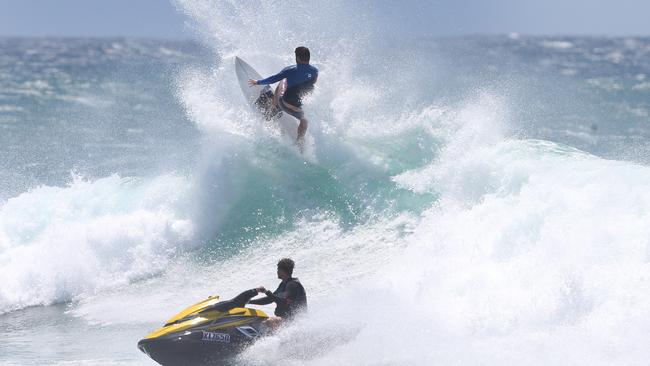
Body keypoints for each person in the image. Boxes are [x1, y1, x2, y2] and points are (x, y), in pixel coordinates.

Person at [248, 47, 318, 151]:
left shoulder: (290, 70)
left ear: (297, 58)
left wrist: (257, 82)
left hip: (283, 103)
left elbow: (273, 79)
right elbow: (311, 86)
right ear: (308, 58)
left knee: (283, 81)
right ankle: (299, 141)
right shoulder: (315, 71)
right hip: (296, 108)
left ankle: (273, 106)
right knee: (305, 120)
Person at [248, 258, 307, 330]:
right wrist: (248, 301)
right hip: (285, 319)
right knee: (256, 321)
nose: (277, 271)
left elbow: (282, 301)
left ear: (282, 271)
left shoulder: (293, 285)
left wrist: (266, 292)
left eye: (278, 269)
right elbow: (269, 299)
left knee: (269, 321)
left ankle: (281, 339)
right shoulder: (283, 284)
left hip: (293, 320)